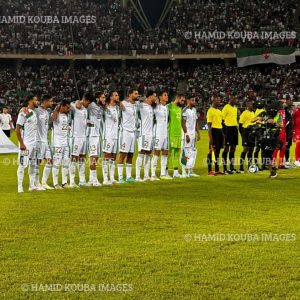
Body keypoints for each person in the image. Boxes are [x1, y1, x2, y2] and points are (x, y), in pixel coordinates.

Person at [15, 95, 40, 193]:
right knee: (22, 165)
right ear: (30, 101)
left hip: (34, 145)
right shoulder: (25, 112)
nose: (37, 101)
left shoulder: (33, 112)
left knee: (33, 164)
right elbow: (17, 128)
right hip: (26, 145)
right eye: (35, 99)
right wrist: (21, 143)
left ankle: (31, 186)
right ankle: (20, 187)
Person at [69, 93, 93, 187]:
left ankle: (82, 181)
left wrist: (90, 123)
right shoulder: (75, 106)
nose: (89, 105)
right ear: (85, 100)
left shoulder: (85, 110)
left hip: (83, 137)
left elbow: (84, 122)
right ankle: (71, 181)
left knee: (82, 158)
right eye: (88, 103)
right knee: (74, 158)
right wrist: (75, 102)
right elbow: (67, 106)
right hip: (76, 137)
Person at [117, 89, 139, 183]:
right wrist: (119, 102)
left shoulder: (136, 105)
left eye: (137, 93)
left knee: (131, 154)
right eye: (135, 93)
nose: (137, 95)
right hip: (125, 132)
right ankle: (120, 177)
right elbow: (113, 102)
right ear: (129, 95)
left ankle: (129, 177)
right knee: (123, 154)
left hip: (133, 132)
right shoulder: (123, 103)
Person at [135, 91, 156, 182]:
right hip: (143, 133)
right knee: (141, 153)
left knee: (148, 153)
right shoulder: (141, 105)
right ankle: (137, 176)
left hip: (150, 134)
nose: (155, 98)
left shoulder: (151, 107)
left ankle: (146, 175)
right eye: (154, 96)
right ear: (150, 96)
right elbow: (132, 107)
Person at [50, 100, 71, 189]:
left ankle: (64, 182)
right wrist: (56, 109)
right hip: (57, 143)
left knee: (66, 163)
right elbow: (53, 119)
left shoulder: (67, 115)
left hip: (66, 142)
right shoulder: (55, 114)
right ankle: (55, 184)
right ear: (62, 106)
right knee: (57, 163)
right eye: (67, 107)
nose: (68, 109)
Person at [35, 95, 54, 190]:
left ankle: (44, 182)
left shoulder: (47, 111)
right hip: (38, 140)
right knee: (38, 162)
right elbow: (27, 110)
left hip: (45, 140)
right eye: (50, 101)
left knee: (50, 161)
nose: (52, 103)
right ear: (45, 101)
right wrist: (23, 109)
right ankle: (36, 183)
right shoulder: (37, 110)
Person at [151, 90, 172, 180]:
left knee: (165, 152)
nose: (167, 96)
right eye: (165, 95)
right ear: (160, 97)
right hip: (158, 132)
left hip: (165, 132)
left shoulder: (166, 108)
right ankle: (152, 174)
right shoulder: (156, 107)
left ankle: (163, 174)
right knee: (156, 153)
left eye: (167, 95)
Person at [87, 91, 106, 186]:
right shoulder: (91, 105)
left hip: (98, 135)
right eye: (102, 97)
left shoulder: (100, 108)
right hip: (92, 135)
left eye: (104, 97)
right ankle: (94, 180)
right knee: (93, 157)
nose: (104, 99)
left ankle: (91, 179)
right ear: (97, 98)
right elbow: (82, 106)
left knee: (97, 157)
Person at [102, 91, 121, 185]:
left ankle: (112, 178)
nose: (118, 96)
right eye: (116, 95)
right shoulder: (105, 107)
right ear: (111, 97)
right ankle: (105, 179)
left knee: (113, 157)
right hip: (108, 135)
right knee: (107, 156)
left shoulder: (117, 108)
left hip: (116, 136)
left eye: (118, 95)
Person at [181, 95, 200, 177]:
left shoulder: (194, 110)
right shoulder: (185, 110)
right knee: (185, 152)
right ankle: (183, 171)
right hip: (187, 135)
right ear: (188, 101)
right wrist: (186, 134)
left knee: (192, 153)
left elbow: (196, 123)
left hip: (193, 135)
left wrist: (198, 133)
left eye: (194, 100)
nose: (194, 102)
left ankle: (190, 170)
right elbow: (183, 123)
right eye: (192, 100)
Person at [167, 94, 185, 178]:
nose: (183, 102)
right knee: (169, 153)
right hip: (171, 133)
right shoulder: (169, 106)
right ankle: (165, 171)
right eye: (182, 100)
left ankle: (175, 172)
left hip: (178, 134)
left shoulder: (179, 108)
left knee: (177, 153)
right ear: (177, 98)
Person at [221, 95, 239, 174]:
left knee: (233, 148)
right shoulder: (226, 107)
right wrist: (224, 131)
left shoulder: (235, 108)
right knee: (226, 148)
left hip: (234, 128)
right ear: (230, 99)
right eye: (234, 99)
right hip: (228, 128)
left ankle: (232, 168)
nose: (235, 101)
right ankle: (225, 169)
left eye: (236, 99)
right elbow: (222, 119)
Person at [206, 95, 223, 176]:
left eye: (219, 100)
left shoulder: (219, 111)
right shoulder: (210, 111)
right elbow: (209, 126)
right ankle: (209, 170)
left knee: (218, 151)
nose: (219, 101)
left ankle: (217, 169)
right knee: (211, 150)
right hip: (213, 131)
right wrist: (210, 138)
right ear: (213, 101)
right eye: (217, 100)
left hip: (219, 131)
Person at [239, 99, 255, 172]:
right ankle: (241, 167)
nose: (252, 105)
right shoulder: (244, 113)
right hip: (246, 132)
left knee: (251, 150)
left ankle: (250, 166)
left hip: (252, 132)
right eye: (251, 104)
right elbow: (240, 125)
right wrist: (243, 136)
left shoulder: (253, 113)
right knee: (245, 149)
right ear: (248, 105)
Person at [284, 95, 294, 167]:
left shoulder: (291, 109)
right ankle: (285, 162)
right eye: (290, 100)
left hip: (290, 131)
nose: (292, 101)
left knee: (288, 146)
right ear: (287, 100)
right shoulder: (284, 109)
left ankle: (287, 162)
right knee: (285, 146)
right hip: (285, 130)